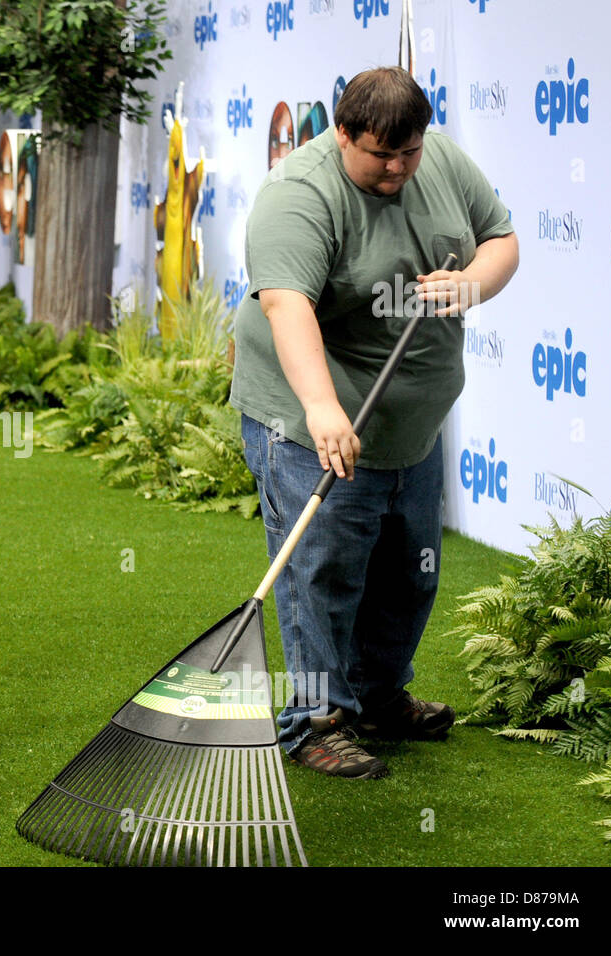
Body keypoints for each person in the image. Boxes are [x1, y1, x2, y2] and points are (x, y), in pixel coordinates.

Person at [230, 67, 519, 779]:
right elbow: (285, 305)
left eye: (408, 153)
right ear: (342, 133)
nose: (397, 170)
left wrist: (471, 282)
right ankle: (313, 721)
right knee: (323, 573)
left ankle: (377, 698)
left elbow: (501, 239)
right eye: (379, 156)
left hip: (411, 423)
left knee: (407, 574)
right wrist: (324, 410)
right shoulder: (298, 193)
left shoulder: (442, 159)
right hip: (313, 418)